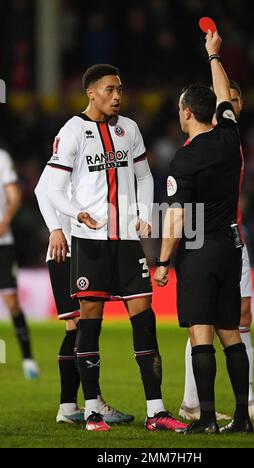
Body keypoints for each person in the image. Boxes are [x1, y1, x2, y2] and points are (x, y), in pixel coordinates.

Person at [46, 63, 187, 433]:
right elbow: (49, 190)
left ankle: (156, 411)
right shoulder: (72, 131)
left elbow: (143, 175)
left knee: (145, 319)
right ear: (90, 92)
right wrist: (76, 214)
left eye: (120, 89)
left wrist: (142, 213)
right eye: (109, 89)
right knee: (89, 325)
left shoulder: (130, 129)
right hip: (90, 243)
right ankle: (92, 409)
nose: (117, 96)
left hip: (127, 242)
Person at [154, 30, 253, 434]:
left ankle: (207, 418)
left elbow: (176, 217)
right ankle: (242, 417)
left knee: (201, 333)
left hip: (199, 248)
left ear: (187, 113)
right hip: (232, 246)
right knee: (231, 332)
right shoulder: (231, 138)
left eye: (180, 109)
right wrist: (214, 56)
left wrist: (162, 261)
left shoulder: (185, 158)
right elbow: (224, 97)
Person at [179, 80, 254, 421]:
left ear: (243, 103)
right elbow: (186, 207)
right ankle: (195, 403)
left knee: (239, 315)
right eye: (227, 99)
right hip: (212, 241)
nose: (231, 104)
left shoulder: (225, 141)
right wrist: (190, 247)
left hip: (233, 238)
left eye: (236, 100)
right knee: (204, 321)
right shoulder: (215, 142)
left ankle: (243, 403)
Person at [35, 166, 135, 425]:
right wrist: (55, 229)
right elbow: (40, 190)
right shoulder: (70, 145)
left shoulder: (86, 156)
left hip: (84, 248)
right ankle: (92, 402)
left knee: (76, 326)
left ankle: (69, 406)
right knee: (81, 325)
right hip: (67, 249)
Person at [0, 147, 39, 379]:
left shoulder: (2, 157)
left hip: (2, 242)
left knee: (12, 301)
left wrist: (5, 220)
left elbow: (14, 195)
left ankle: (28, 359)